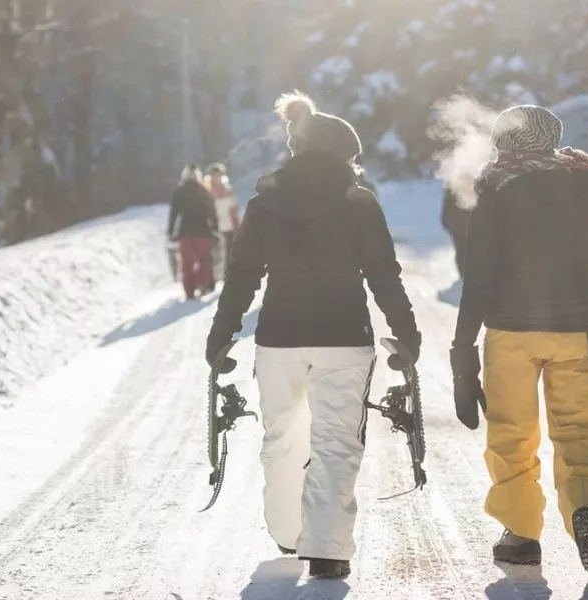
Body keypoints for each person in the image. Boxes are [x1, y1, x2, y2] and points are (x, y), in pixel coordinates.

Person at [205, 91, 421, 579]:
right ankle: (326, 549)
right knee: (336, 442)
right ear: (345, 156)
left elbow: (241, 274)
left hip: (280, 338)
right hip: (345, 338)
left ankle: (288, 532)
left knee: (281, 436)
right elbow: (384, 274)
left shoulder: (265, 203)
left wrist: (221, 334)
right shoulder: (360, 203)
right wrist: (407, 333)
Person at [449, 105, 588, 574]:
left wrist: (462, 352)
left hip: (511, 331)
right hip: (584, 332)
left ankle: (520, 535)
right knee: (582, 433)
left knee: (512, 435)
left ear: (503, 142)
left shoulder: (495, 186)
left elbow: (478, 278)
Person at [168, 164, 218, 299]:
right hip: (203, 231)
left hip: (184, 232)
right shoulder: (204, 191)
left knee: (186, 262)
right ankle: (201, 282)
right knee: (203, 260)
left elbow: (173, 213)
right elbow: (212, 211)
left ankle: (189, 291)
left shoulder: (179, 192)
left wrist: (171, 231)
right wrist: (215, 228)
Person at [204, 162, 241, 278]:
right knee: (214, 253)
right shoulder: (206, 191)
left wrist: (237, 225)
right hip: (213, 227)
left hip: (228, 225)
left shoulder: (228, 190)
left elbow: (234, 209)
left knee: (229, 252)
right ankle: (213, 277)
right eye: (214, 175)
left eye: (219, 175)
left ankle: (227, 274)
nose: (217, 178)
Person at [440, 184, 471, 278]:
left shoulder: (454, 181)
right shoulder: (455, 182)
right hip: (461, 226)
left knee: (462, 253)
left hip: (459, 226)